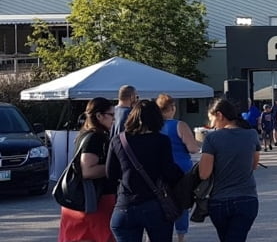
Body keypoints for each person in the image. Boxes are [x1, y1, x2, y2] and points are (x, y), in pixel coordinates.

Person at [106, 99, 184, 242]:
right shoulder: (161, 141)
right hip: (154, 204)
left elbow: (111, 174)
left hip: (125, 205)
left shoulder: (118, 140)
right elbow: (168, 171)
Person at [199, 98, 261, 242]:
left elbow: (204, 174)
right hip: (247, 198)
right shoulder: (251, 134)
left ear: (219, 115)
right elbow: (254, 165)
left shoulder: (212, 138)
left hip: (219, 200)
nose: (211, 125)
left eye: (211, 119)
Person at [59, 97, 118, 242]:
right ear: (99, 116)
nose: (114, 120)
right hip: (95, 201)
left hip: (88, 200)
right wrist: (115, 167)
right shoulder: (95, 137)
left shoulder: (87, 134)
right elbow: (87, 170)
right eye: (111, 115)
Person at [156, 94, 201, 242]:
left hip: (160, 170)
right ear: (172, 108)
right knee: (182, 203)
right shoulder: (179, 125)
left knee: (162, 203)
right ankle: (181, 237)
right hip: (181, 169)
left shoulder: (154, 126)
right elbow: (193, 148)